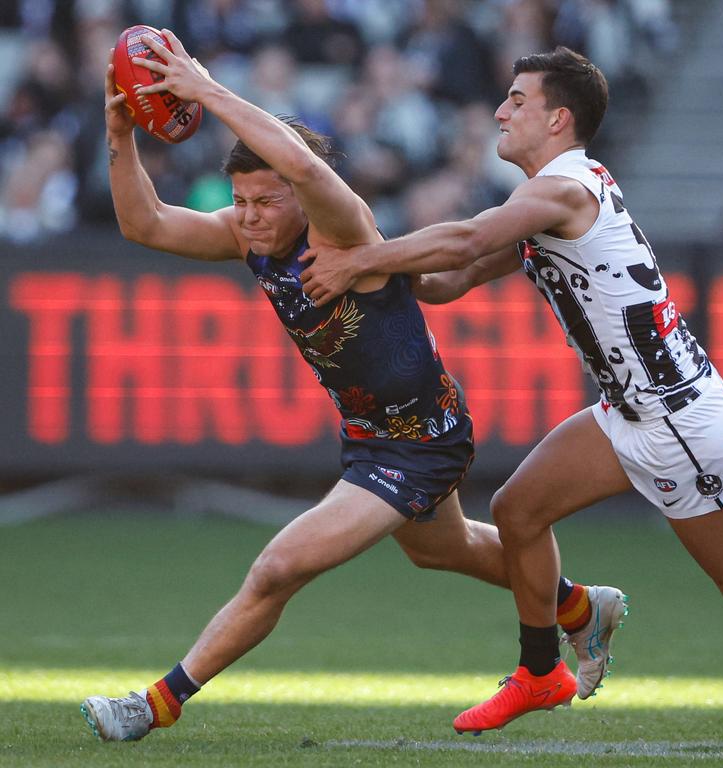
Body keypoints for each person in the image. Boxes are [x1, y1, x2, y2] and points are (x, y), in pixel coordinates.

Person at [298, 47, 723, 744]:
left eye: (517, 100)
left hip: (677, 422)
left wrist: (364, 259)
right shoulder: (549, 198)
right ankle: (540, 669)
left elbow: (464, 241)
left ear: (558, 119)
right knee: (519, 511)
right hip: (635, 412)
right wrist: (367, 267)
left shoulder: (562, 188)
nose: (500, 110)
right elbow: (449, 280)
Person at [80, 31, 626, 742]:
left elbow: (305, 165)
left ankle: (154, 704)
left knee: (278, 567)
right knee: (443, 550)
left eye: (264, 201)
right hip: (376, 434)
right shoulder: (251, 234)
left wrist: (205, 89)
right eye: (239, 200)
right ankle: (582, 608)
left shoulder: (340, 227)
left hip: (418, 443)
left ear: (300, 199)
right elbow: (143, 222)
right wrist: (119, 132)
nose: (247, 217)